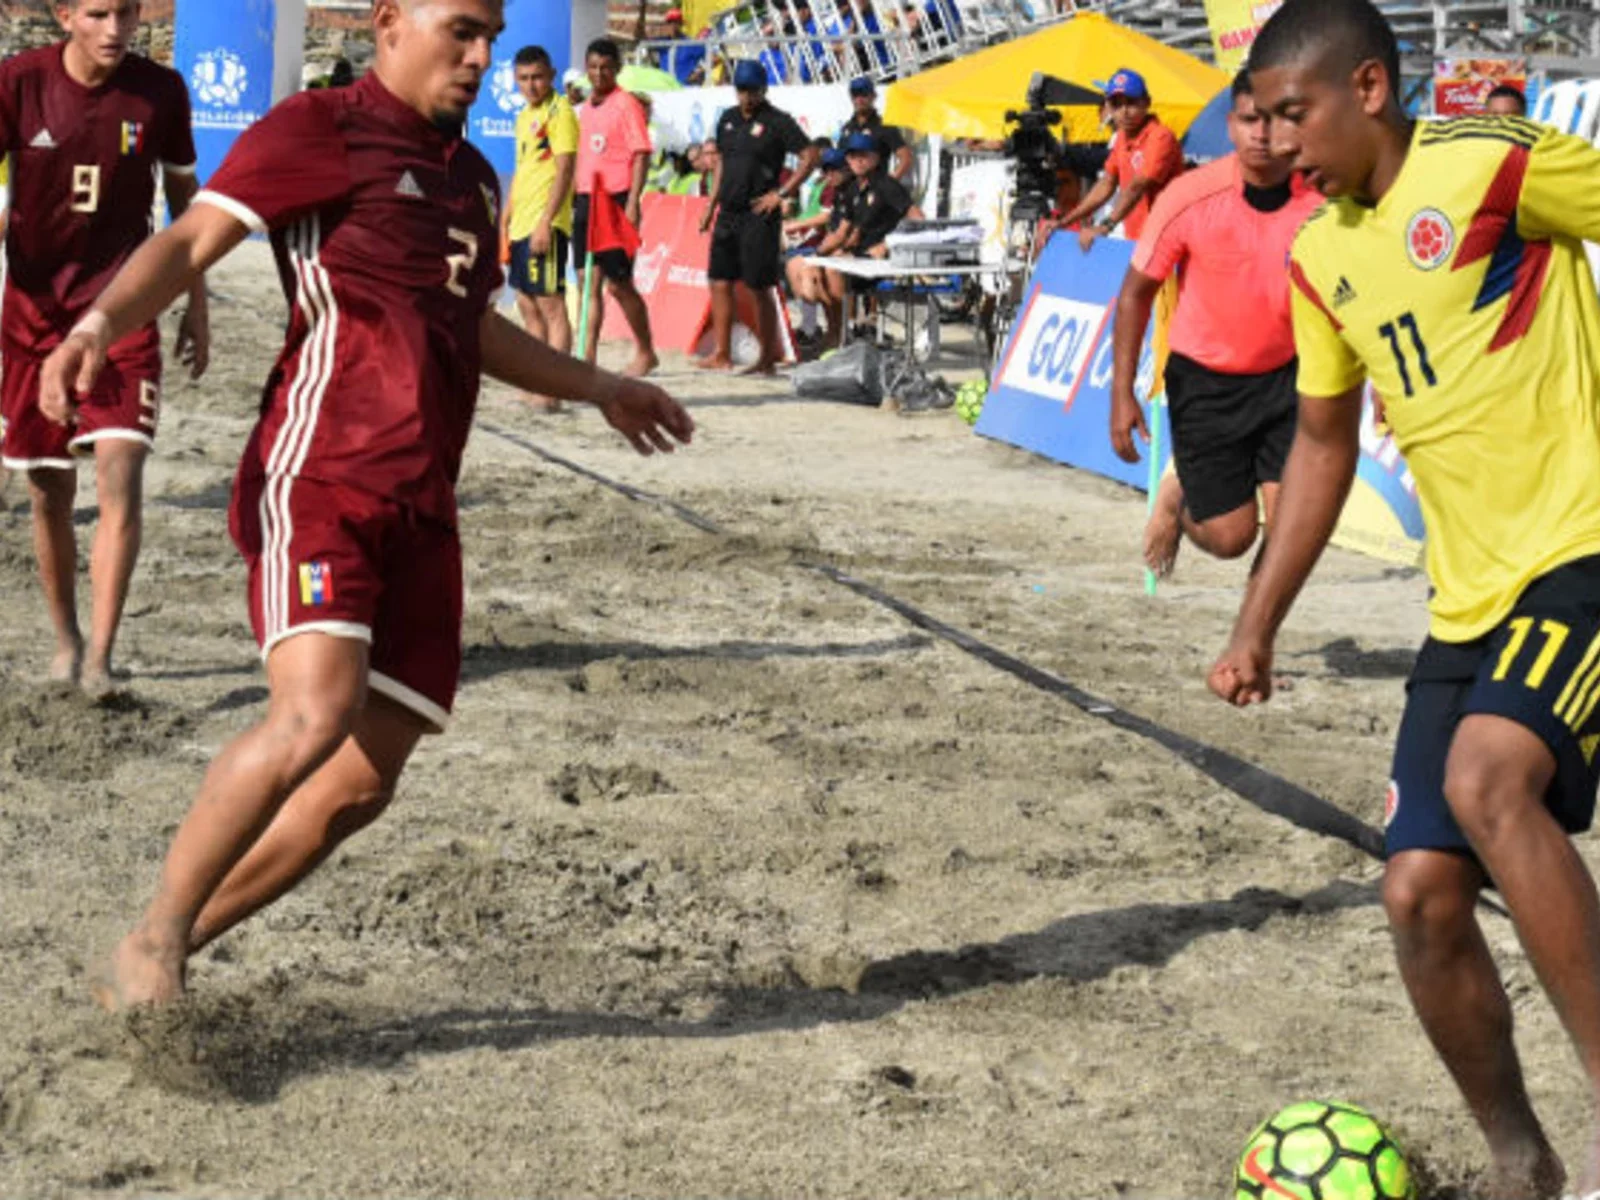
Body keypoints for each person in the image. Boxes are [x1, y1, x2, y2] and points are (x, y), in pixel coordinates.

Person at [57, 0, 692, 1012]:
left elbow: (474, 326)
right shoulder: (321, 127)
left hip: (425, 496)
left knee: (362, 782)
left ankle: (158, 946)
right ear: (390, 20)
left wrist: (601, 385)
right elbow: (189, 243)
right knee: (313, 713)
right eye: (462, 31)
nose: (482, 58)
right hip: (322, 472)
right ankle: (159, 941)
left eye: (491, 38)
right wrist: (99, 321)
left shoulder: (472, 178)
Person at [1210, 1, 1600, 1195]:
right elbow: (1323, 445)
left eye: (1291, 112)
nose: (1271, 142)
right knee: (1417, 893)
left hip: (1584, 548)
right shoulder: (1322, 256)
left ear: (1368, 87)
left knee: (1488, 782)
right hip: (1465, 598)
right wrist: (1256, 620)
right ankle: (1520, 1164)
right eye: (1258, 118)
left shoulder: (1491, 167)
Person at [0, 0, 209, 693]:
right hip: (32, 319)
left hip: (124, 313)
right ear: (64, 17)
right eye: (98, 14)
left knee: (120, 475)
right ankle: (66, 641)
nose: (117, 29)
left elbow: (189, 208)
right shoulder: (18, 83)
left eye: (126, 13)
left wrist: (196, 303)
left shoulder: (160, 92)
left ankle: (102, 660)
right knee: (47, 490)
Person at [1109, 69, 1321, 577]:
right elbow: (1134, 295)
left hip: (1287, 376)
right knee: (1232, 538)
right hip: (1205, 381)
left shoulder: (1319, 202)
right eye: (1251, 120)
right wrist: (1122, 392)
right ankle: (1174, 502)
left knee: (1294, 521)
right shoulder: (1191, 195)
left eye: (1275, 121)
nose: (1263, 135)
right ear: (1231, 125)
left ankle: (1252, 643)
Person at [696, 60, 817, 374]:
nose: (746, 96)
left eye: (752, 90)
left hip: (758, 212)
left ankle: (767, 357)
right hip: (728, 211)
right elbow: (721, 162)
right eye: (741, 90)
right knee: (719, 281)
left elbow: (810, 155)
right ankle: (722, 353)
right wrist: (711, 205)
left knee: (759, 285)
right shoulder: (728, 118)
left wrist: (782, 193)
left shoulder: (777, 121)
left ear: (764, 90)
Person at [573, 38, 657, 375]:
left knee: (619, 284)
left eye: (605, 68)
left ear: (616, 69)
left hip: (615, 200)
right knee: (586, 281)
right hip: (586, 198)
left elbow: (641, 153)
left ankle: (646, 350)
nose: (598, 73)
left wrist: (633, 203)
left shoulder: (626, 104)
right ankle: (586, 358)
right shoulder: (584, 108)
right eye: (593, 67)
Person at [501, 43, 576, 413]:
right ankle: (536, 383)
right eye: (524, 79)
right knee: (527, 305)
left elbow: (564, 169)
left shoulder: (559, 112)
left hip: (544, 223)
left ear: (552, 76)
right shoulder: (523, 116)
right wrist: (506, 216)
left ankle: (555, 389)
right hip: (521, 223)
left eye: (537, 77)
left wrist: (546, 221)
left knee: (552, 308)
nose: (531, 85)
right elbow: (523, 170)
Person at [1057, 68, 1183, 250]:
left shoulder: (1160, 136)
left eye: (1131, 103)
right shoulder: (1122, 138)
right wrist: (1066, 221)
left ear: (1146, 103)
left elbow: (1137, 186)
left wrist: (1105, 226)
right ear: (1108, 108)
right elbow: (1106, 183)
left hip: (1166, 238)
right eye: (1116, 104)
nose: (1124, 112)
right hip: (1136, 238)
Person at [817, 131, 920, 349]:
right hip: (859, 257)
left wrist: (888, 244)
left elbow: (918, 220)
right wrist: (817, 254)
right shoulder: (853, 189)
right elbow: (840, 233)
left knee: (834, 271)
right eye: (853, 156)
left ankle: (844, 333)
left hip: (883, 260)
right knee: (812, 269)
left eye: (863, 155)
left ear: (876, 158)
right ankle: (837, 330)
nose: (857, 161)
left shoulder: (887, 185)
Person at [785, 147, 852, 349]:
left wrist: (821, 251)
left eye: (835, 170)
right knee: (795, 267)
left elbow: (847, 232)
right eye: (826, 171)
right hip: (827, 246)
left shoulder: (851, 191)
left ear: (847, 169)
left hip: (846, 251)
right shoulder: (833, 190)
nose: (829, 175)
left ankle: (837, 331)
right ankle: (815, 328)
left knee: (816, 271)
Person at [838, 76, 912, 182]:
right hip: (851, 190)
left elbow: (906, 157)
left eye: (864, 94)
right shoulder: (847, 128)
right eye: (855, 94)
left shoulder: (884, 126)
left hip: (875, 189)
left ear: (873, 96)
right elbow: (840, 161)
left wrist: (890, 184)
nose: (859, 99)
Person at [658, 9, 706, 85]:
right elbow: (640, 41)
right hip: (666, 90)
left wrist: (698, 71)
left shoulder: (690, 43)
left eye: (676, 22)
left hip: (684, 90)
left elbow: (715, 57)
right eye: (670, 22)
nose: (673, 25)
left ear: (681, 24)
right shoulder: (662, 43)